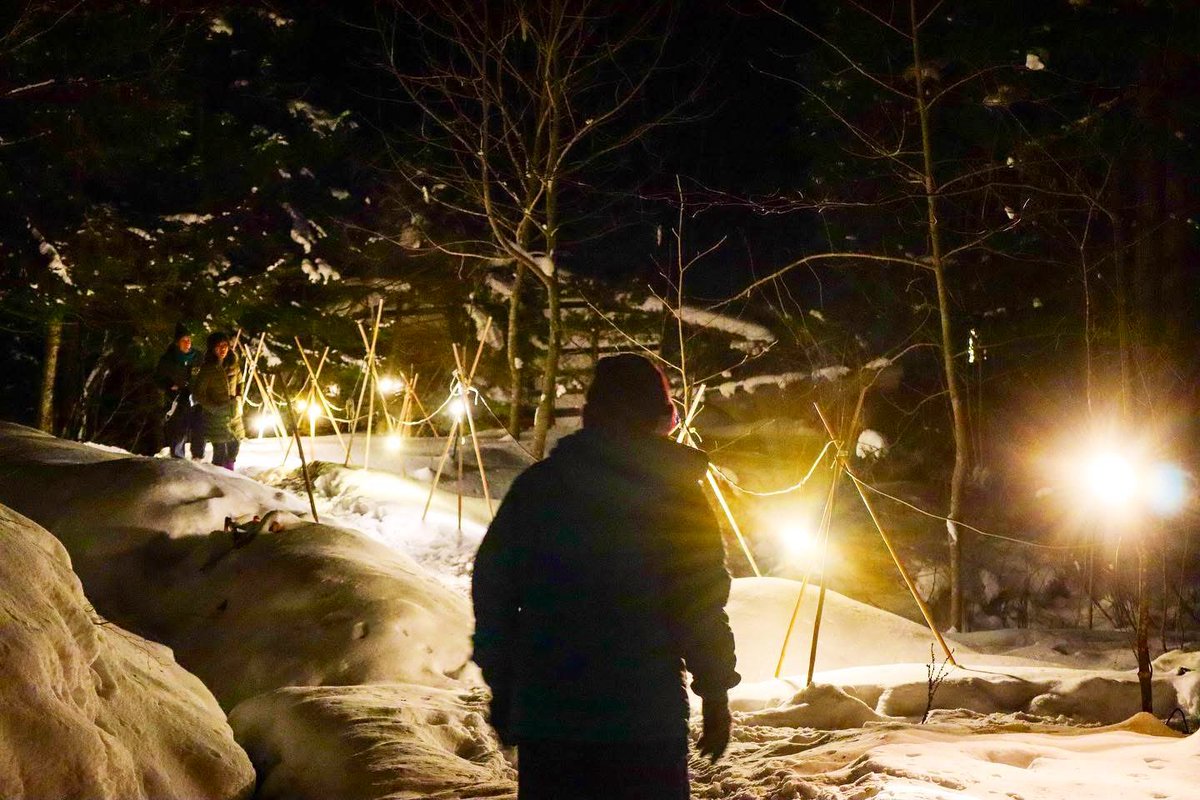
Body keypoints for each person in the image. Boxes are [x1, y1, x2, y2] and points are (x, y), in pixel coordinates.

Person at [472, 353, 739, 800]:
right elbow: (699, 603)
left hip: (552, 714)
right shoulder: (675, 497)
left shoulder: (540, 489)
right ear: (662, 417)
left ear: (590, 415)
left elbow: (493, 588)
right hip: (643, 716)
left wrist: (504, 682)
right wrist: (715, 693)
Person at [193, 331, 244, 470]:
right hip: (216, 416)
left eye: (225, 345)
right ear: (212, 349)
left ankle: (230, 474)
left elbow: (240, 382)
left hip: (234, 414)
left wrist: (239, 398)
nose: (222, 349)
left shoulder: (234, 364)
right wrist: (214, 408)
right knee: (220, 450)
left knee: (234, 446)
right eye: (218, 346)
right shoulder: (207, 369)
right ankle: (218, 479)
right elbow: (198, 393)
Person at [154, 322, 204, 459]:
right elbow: (158, 378)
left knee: (199, 428)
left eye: (189, 340)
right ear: (177, 343)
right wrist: (170, 385)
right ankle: (177, 457)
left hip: (196, 398)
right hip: (177, 399)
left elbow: (205, 374)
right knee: (178, 429)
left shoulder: (198, 357)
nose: (187, 343)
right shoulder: (168, 359)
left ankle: (198, 456)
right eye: (184, 340)